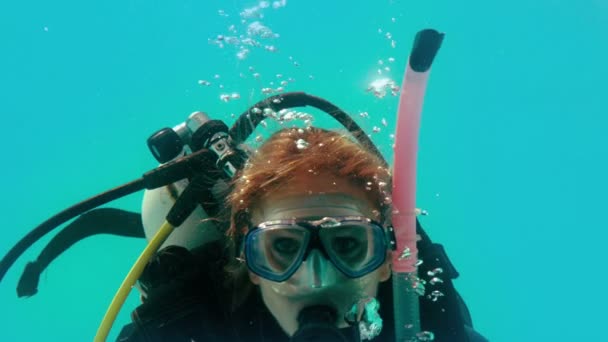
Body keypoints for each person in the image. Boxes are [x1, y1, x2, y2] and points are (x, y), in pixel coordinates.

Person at [117, 126, 489, 341]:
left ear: (387, 262)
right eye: (282, 246)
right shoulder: (188, 331)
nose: (316, 279)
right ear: (250, 264)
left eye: (346, 243)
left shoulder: (432, 329)